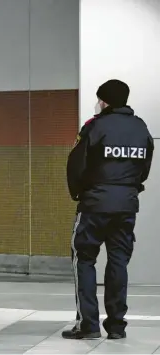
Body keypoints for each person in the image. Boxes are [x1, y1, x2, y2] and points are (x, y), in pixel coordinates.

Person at [63, 79, 154, 340]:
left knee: (84, 258)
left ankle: (88, 324)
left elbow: (76, 164)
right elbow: (145, 167)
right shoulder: (141, 128)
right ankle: (116, 326)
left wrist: (78, 193)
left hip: (95, 204)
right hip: (126, 206)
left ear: (104, 101)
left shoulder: (95, 127)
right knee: (118, 262)